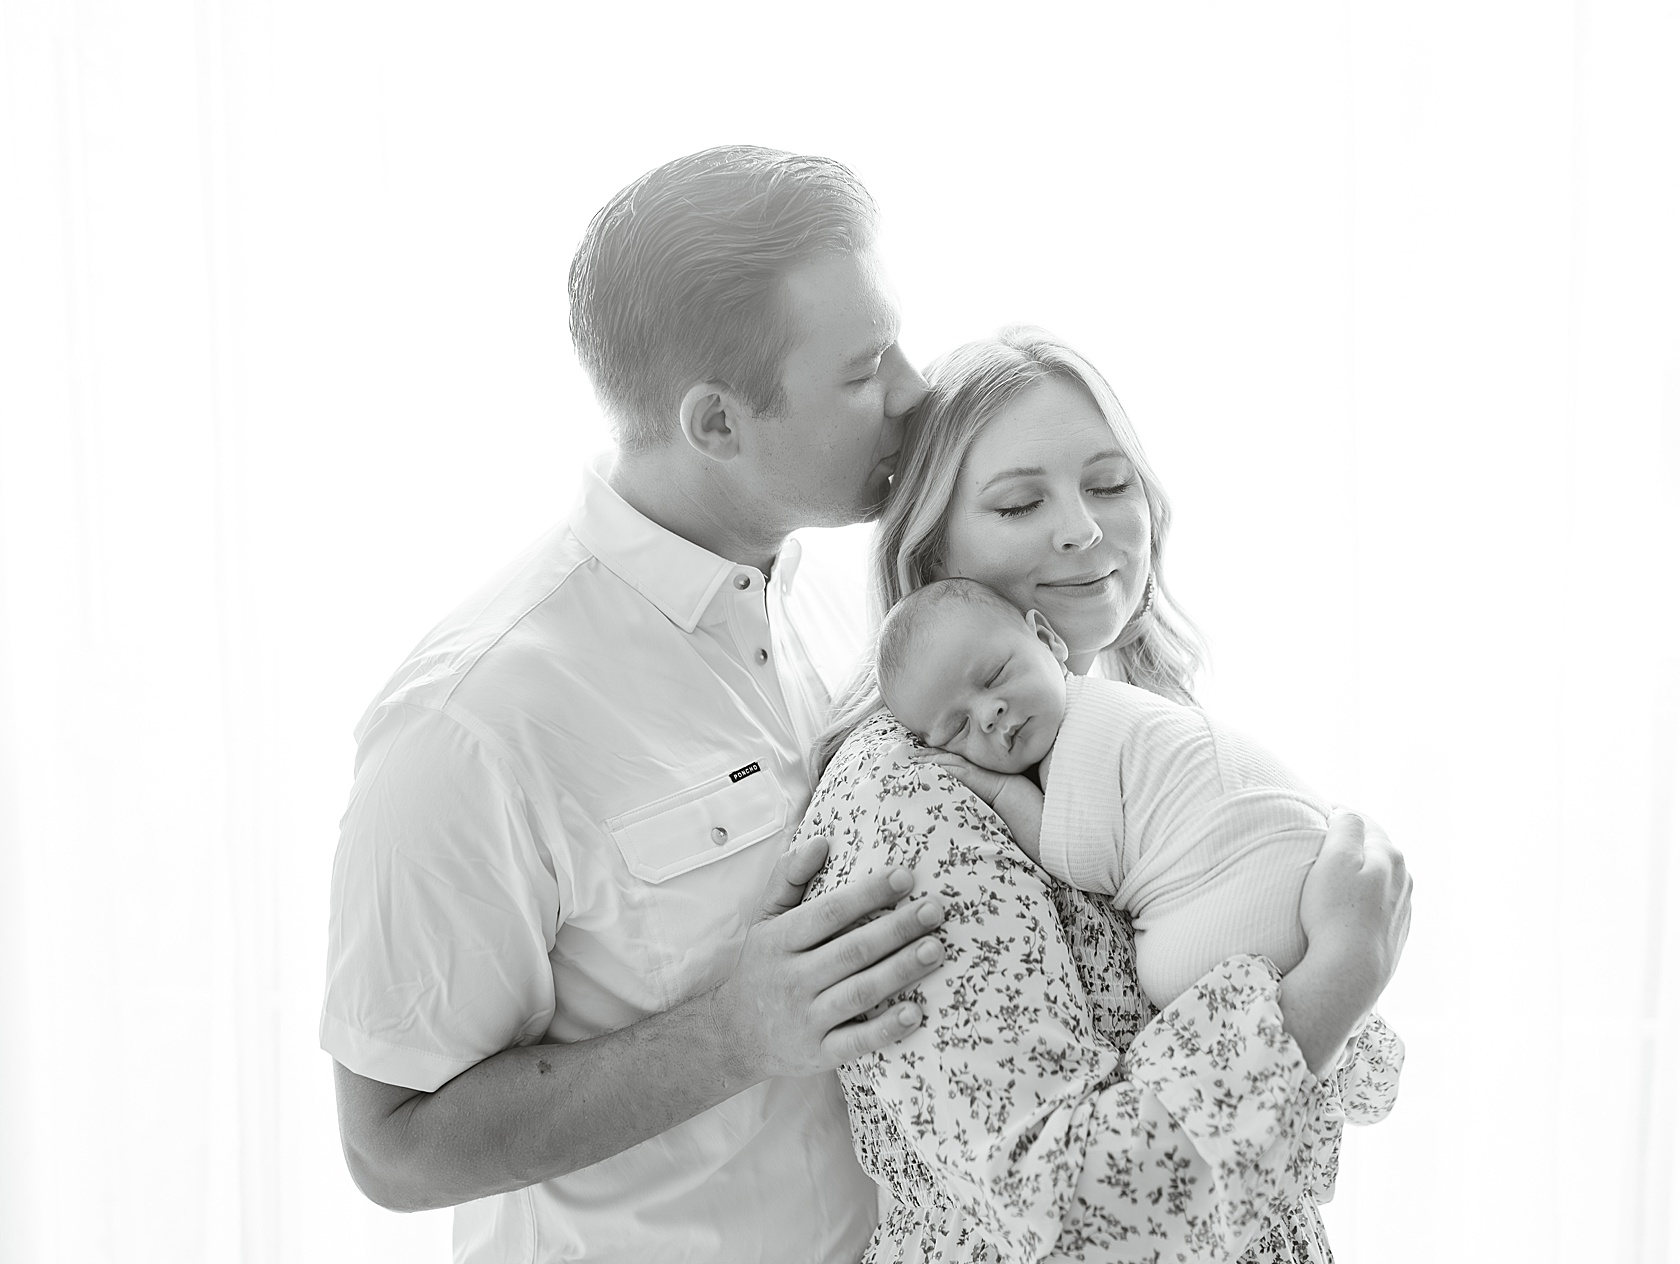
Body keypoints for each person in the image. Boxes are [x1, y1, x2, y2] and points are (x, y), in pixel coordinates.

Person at [320, 146, 952, 1262]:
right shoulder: (468, 723)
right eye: (862, 372)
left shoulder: (829, 606)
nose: (915, 391)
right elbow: (391, 1149)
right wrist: (727, 1038)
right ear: (714, 422)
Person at [799, 326, 1412, 1263]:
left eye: (1110, 483)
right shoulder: (916, 805)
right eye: (1017, 502)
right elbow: (1070, 1213)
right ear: (929, 555)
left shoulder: (1131, 738)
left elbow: (1351, 1084)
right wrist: (1340, 972)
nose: (1083, 528)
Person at [877, 576, 1331, 1009]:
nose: (989, 713)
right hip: (1300, 868)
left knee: (1166, 975)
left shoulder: (1088, 730)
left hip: (1263, 872)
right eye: (958, 727)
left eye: (995, 675)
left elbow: (1084, 859)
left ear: (1049, 641)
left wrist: (999, 790)